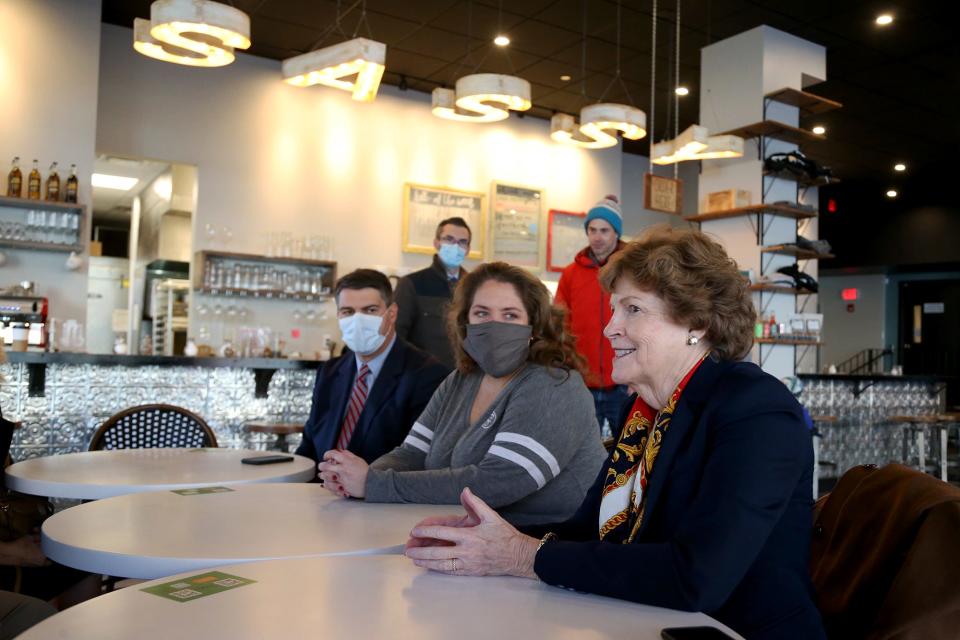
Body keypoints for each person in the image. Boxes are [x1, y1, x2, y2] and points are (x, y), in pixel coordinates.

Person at [403, 227, 827, 640]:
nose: (609, 328)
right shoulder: (644, 410)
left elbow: (696, 576)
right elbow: (589, 530)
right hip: (640, 621)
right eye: (613, 309)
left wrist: (522, 555)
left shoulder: (756, 410)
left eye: (633, 309)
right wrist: (488, 535)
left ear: (697, 322)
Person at [318, 262, 606, 526]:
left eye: (510, 315)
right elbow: (411, 454)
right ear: (464, 322)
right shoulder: (461, 380)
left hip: (547, 549)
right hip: (472, 539)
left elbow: (496, 483)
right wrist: (354, 479)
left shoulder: (553, 385)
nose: (495, 325)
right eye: (482, 313)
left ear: (535, 326)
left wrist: (373, 483)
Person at [295, 269, 449, 466]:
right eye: (348, 312)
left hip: (377, 493)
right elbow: (309, 445)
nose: (358, 320)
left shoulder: (427, 375)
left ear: (391, 314)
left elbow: (415, 460)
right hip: (319, 491)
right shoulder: (330, 372)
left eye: (370, 310)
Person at [555, 195, 628, 433]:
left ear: (616, 233)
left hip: (624, 381)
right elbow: (559, 325)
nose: (597, 237)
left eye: (604, 230)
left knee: (628, 449)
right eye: (592, 230)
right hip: (582, 381)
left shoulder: (632, 270)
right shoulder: (570, 274)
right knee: (581, 450)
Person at [394, 217, 472, 368]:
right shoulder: (411, 284)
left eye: (462, 242)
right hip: (423, 377)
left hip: (464, 377)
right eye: (449, 239)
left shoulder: (474, 287)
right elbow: (396, 337)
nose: (455, 246)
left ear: (468, 249)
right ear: (436, 243)